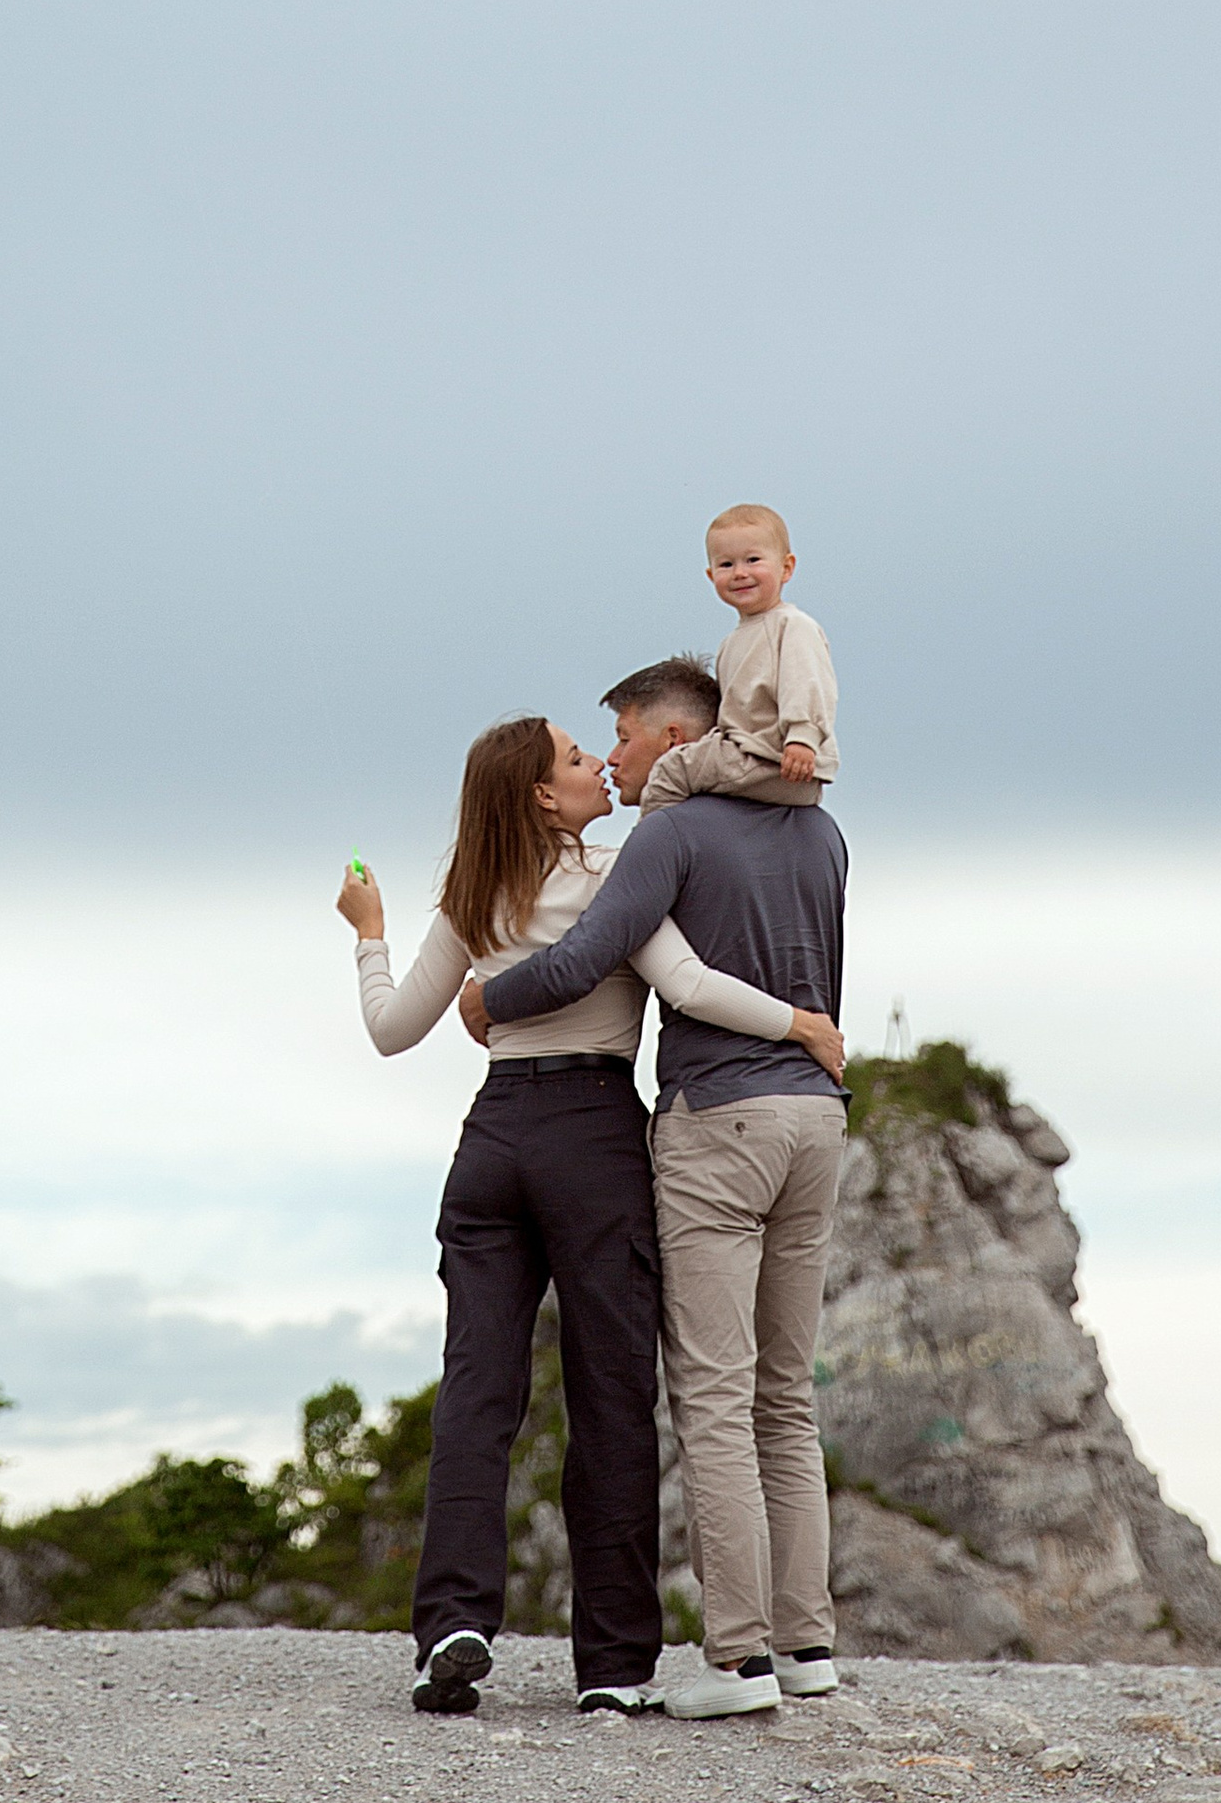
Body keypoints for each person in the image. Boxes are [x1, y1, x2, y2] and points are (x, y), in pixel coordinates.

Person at [338, 713, 844, 1721]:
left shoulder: (468, 895)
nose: (595, 765)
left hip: (492, 1142)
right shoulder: (621, 872)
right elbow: (689, 983)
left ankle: (449, 1624)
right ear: (540, 793)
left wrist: (369, 935)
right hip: (594, 1140)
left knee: (478, 1386)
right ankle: (612, 1662)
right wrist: (797, 1022)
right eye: (577, 758)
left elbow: (392, 1032)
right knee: (610, 1398)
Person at [638, 502, 839, 813]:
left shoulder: (792, 625)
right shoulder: (732, 642)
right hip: (751, 756)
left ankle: (651, 853)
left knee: (671, 771)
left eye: (753, 560)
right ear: (710, 574)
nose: (740, 573)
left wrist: (802, 738)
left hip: (778, 760)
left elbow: (807, 684)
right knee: (695, 770)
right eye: (726, 564)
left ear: (786, 567)